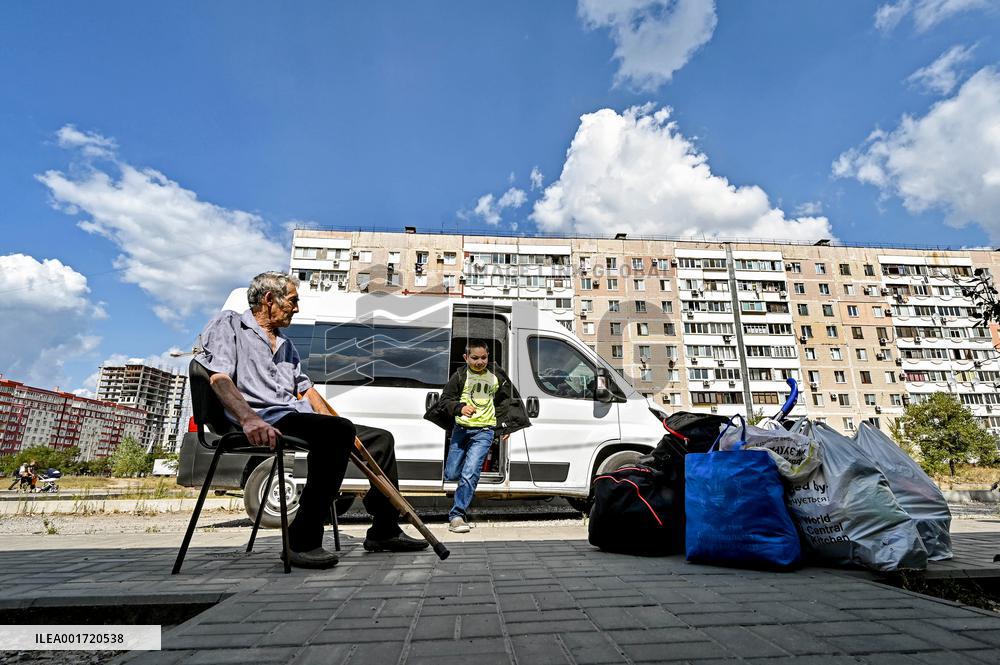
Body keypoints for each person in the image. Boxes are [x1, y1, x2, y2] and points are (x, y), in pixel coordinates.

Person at [194, 271, 428, 569]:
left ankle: (384, 531)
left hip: (291, 417)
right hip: (260, 417)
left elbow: (306, 390)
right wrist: (249, 419)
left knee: (379, 439)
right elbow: (219, 378)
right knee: (335, 433)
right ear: (269, 300)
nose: (297, 307)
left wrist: (344, 426)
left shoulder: (286, 345)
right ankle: (302, 539)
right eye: (292, 301)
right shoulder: (230, 323)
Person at [425, 339, 530, 533]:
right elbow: (445, 400)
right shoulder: (460, 376)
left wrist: (505, 427)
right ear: (466, 358)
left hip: (484, 432)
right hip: (461, 431)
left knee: (470, 473)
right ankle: (462, 486)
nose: (480, 362)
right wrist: (460, 408)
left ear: (488, 356)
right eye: (474, 358)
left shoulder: (496, 376)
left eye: (483, 357)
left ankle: (457, 515)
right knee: (452, 474)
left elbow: (506, 401)